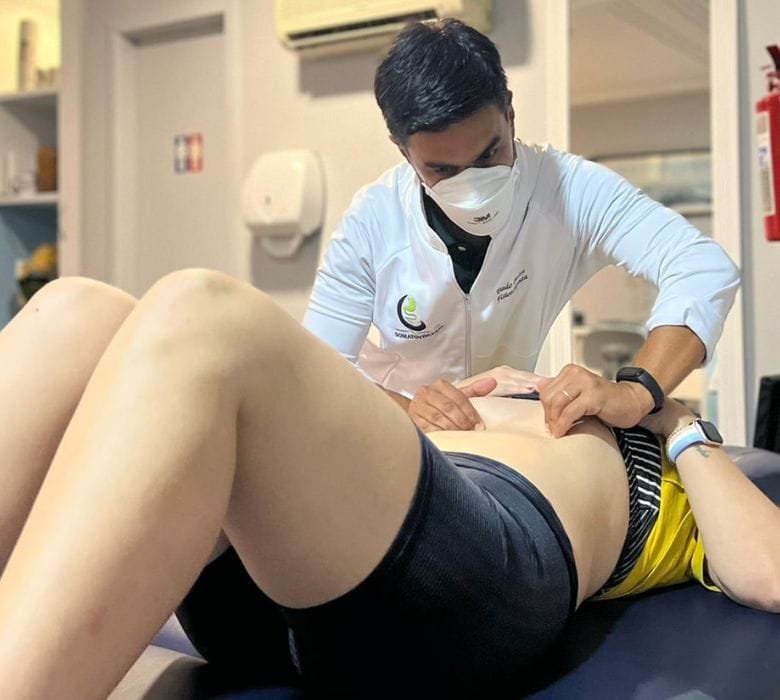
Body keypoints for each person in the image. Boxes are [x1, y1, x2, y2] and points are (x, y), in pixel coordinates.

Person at [0, 272, 776, 699]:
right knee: (77, 310)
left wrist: (666, 413)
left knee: (203, 314)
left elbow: (767, 570)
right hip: (307, 567)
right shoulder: (516, 384)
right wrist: (418, 409)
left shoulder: (681, 456)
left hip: (473, 575)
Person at [303, 19, 740, 438]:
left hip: (505, 433)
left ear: (510, 114)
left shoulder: (569, 191)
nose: (472, 188)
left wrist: (638, 392)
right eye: (442, 170)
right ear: (403, 151)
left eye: (488, 155)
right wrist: (408, 410)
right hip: (396, 434)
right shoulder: (373, 221)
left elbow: (700, 265)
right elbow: (316, 368)